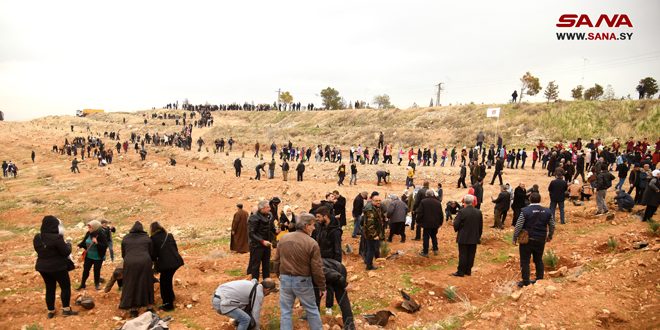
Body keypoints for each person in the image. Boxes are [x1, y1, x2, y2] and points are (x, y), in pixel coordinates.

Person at [273, 213, 325, 330]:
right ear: (306, 226)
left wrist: (279, 275)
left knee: (286, 312)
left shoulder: (283, 238)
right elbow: (317, 268)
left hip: (285, 279)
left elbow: (276, 261)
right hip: (302, 280)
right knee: (312, 310)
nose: (314, 228)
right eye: (312, 225)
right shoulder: (312, 243)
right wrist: (321, 286)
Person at [34, 215, 78, 318]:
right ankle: (66, 310)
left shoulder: (37, 237)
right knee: (65, 287)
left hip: (43, 268)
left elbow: (38, 250)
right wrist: (68, 244)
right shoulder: (57, 238)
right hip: (58, 268)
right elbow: (66, 252)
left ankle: (51, 311)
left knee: (50, 288)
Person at [513, 192, 555, 287]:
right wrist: (550, 236)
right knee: (538, 259)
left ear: (530, 199)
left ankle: (526, 281)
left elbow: (518, 225)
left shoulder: (525, 211)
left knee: (525, 261)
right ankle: (540, 279)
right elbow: (552, 225)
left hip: (527, 240)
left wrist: (515, 237)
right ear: (540, 200)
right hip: (540, 238)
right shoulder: (547, 211)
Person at [212, 278, 276, 330]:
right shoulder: (259, 293)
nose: (269, 294)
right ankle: (238, 323)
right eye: (270, 292)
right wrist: (257, 328)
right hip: (221, 302)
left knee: (246, 309)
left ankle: (235, 323)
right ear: (267, 289)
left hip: (217, 296)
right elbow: (255, 313)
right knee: (245, 319)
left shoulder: (253, 285)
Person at [120, 221, 155, 317]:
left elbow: (123, 253)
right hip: (145, 262)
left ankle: (133, 309)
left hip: (130, 262)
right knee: (146, 283)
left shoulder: (126, 238)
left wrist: (129, 260)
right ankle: (149, 306)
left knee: (131, 283)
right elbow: (151, 253)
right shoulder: (147, 238)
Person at [150, 222, 184, 312]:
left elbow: (153, 255)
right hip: (176, 261)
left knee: (164, 283)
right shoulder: (169, 235)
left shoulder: (153, 239)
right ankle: (171, 297)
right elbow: (175, 249)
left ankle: (168, 305)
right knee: (167, 280)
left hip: (166, 264)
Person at [452, 195, 483, 277]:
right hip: (474, 237)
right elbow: (480, 226)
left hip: (463, 236)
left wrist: (457, 228)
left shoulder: (462, 212)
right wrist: (478, 236)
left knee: (463, 254)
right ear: (473, 202)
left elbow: (456, 224)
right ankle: (468, 270)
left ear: (464, 202)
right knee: (471, 254)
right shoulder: (478, 212)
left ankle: (461, 271)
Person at [321, 258, 355, 329]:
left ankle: (349, 326)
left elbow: (335, 276)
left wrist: (345, 285)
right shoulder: (308, 267)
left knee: (342, 299)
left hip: (339, 272)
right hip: (331, 272)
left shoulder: (318, 268)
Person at [76, 220, 108, 291]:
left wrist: (97, 243)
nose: (89, 229)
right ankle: (82, 284)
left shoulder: (101, 235)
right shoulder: (88, 233)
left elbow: (105, 246)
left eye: (90, 228)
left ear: (95, 228)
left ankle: (96, 284)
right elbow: (84, 241)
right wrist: (79, 246)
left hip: (98, 257)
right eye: (88, 227)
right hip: (89, 256)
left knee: (96, 271)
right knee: (86, 270)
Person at [247, 200, 274, 280]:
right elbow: (251, 233)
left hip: (267, 245)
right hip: (257, 246)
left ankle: (267, 284)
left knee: (266, 264)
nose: (269, 209)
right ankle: (255, 285)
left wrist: (276, 231)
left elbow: (270, 229)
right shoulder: (254, 218)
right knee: (256, 265)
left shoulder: (268, 216)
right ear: (262, 208)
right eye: (268, 207)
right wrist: (262, 241)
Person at [416, 190, 443, 257]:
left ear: (426, 195)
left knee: (426, 237)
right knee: (434, 236)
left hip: (426, 223)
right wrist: (440, 222)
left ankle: (425, 252)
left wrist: (417, 220)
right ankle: (435, 249)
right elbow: (441, 214)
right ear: (433, 194)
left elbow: (420, 213)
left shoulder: (423, 202)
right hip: (435, 223)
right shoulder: (438, 202)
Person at [361, 194, 385, 270]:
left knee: (370, 249)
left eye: (379, 200)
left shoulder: (375, 207)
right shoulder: (370, 210)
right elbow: (370, 225)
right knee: (371, 250)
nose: (378, 202)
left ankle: (368, 262)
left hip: (372, 233)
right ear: (372, 201)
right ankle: (369, 266)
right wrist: (374, 235)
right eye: (376, 201)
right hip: (371, 234)